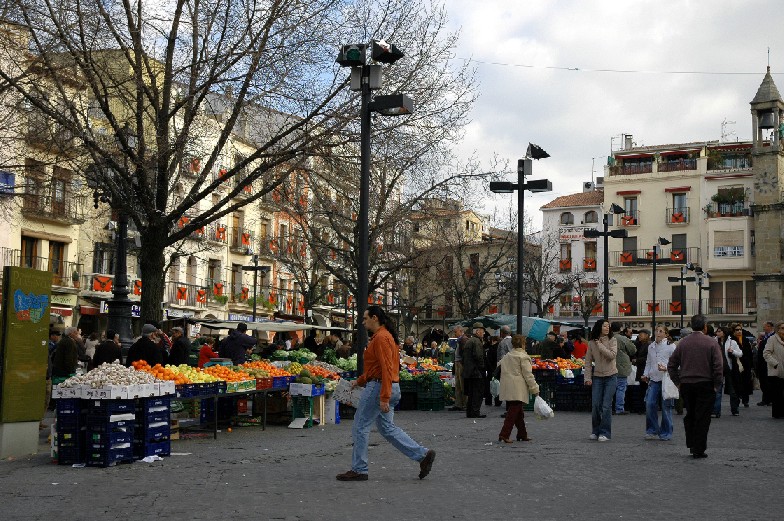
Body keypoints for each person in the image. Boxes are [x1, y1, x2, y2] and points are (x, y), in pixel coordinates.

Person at [336, 305, 435, 481]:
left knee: (360, 426)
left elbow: (385, 369)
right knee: (387, 428)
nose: (363, 322)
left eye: (365, 318)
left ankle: (359, 469)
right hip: (388, 386)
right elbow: (380, 368)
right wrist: (358, 382)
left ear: (375, 318)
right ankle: (422, 455)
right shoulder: (385, 337)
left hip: (379, 387)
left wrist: (384, 397)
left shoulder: (381, 338)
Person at [667, 314, 723, 459]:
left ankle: (692, 444)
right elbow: (718, 366)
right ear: (705, 327)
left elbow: (671, 364)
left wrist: (678, 382)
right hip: (705, 384)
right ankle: (699, 447)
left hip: (686, 384)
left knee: (691, 414)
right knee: (703, 417)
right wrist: (717, 384)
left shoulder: (683, 343)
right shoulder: (711, 343)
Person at [497, 334, 540, 443]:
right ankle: (504, 434)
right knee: (513, 411)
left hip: (507, 386)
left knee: (518, 412)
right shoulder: (523, 357)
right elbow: (528, 375)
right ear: (523, 344)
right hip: (518, 387)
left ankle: (522, 434)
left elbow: (499, 365)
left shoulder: (507, 356)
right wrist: (535, 389)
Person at [584, 319, 617, 441]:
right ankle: (595, 430)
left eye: (608, 326)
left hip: (611, 376)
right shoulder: (591, 343)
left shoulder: (613, 340)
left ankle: (605, 432)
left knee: (606, 406)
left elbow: (612, 355)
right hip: (597, 376)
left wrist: (600, 345)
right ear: (599, 327)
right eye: (605, 326)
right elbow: (588, 362)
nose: (607, 328)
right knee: (596, 405)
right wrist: (587, 378)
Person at [642, 325, 675, 440]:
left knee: (666, 407)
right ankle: (652, 430)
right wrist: (646, 374)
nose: (658, 333)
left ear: (666, 334)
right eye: (656, 331)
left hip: (666, 379)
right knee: (650, 403)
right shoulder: (651, 346)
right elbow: (648, 362)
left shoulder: (671, 346)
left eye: (661, 331)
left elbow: (676, 363)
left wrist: (666, 367)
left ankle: (666, 432)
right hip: (654, 379)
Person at [717, 326, 743, 417]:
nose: (717, 333)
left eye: (719, 331)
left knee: (733, 390)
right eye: (717, 331)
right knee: (717, 390)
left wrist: (733, 351)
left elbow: (740, 353)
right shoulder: (714, 341)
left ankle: (735, 409)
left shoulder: (732, 342)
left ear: (724, 332)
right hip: (717, 369)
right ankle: (716, 411)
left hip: (729, 369)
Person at [611, 322, 636, 415]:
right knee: (621, 387)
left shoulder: (606, 338)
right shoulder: (622, 339)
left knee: (610, 388)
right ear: (621, 329)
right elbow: (633, 350)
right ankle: (619, 408)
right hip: (621, 366)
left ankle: (609, 408)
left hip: (609, 366)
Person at [463, 322, 487, 418]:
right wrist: (482, 367)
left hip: (469, 371)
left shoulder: (469, 341)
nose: (483, 333)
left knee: (471, 393)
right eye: (482, 331)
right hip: (476, 372)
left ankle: (470, 412)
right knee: (477, 393)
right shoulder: (477, 342)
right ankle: (475, 412)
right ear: (477, 331)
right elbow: (478, 356)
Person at [762, 322, 784, 419]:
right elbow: (766, 353)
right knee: (777, 394)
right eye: (783, 328)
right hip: (776, 371)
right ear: (778, 329)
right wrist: (775, 363)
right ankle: (777, 413)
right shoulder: (772, 339)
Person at [730, 323, 754, 408]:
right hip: (736, 364)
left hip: (746, 365)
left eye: (740, 329)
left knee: (746, 382)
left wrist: (751, 365)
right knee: (737, 382)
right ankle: (737, 399)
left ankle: (745, 400)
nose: (739, 331)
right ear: (733, 331)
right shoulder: (731, 340)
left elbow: (750, 353)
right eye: (737, 330)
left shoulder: (745, 340)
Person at [756, 321, 775, 406]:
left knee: (769, 382)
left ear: (770, 327)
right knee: (763, 381)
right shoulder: (764, 337)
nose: (764, 328)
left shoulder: (773, 337)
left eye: (765, 326)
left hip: (769, 362)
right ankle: (765, 399)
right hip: (762, 362)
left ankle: (769, 399)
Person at [449, 325, 467, 412]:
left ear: (460, 331)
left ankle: (463, 404)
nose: (454, 334)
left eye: (455, 332)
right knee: (458, 385)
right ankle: (459, 403)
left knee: (462, 384)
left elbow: (464, 354)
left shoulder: (463, 340)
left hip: (460, 363)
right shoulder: (460, 340)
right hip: (458, 363)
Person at [632, 328, 651, 401]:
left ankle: (644, 406)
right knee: (643, 387)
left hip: (645, 370)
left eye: (641, 335)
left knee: (644, 388)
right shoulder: (640, 344)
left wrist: (637, 360)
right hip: (641, 369)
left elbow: (648, 358)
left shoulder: (648, 345)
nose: (639, 336)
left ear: (646, 335)